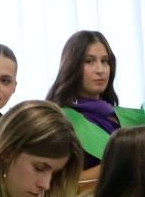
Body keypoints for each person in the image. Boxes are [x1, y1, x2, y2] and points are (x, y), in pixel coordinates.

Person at [48, 29, 139, 167]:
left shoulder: (116, 114)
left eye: (105, 61)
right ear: (72, 66)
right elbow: (58, 180)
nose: (100, 70)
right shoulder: (60, 120)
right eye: (89, 61)